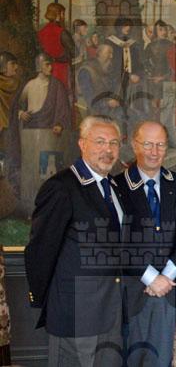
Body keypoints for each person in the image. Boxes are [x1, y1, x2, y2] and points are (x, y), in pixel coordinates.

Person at [24, 115, 139, 366]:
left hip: (111, 311)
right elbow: (40, 251)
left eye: (113, 143)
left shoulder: (113, 186)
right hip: (76, 312)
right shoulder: (62, 187)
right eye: (100, 142)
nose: (108, 150)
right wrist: (52, 302)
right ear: (82, 144)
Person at [114, 121, 176, 366]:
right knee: (131, 358)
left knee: (161, 358)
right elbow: (116, 241)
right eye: (148, 144)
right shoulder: (116, 186)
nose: (154, 151)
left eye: (160, 145)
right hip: (132, 287)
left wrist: (165, 277)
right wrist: (151, 277)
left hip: (170, 287)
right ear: (134, 145)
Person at [17, 53, 73, 207]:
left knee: (49, 170)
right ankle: (31, 204)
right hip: (32, 134)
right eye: (47, 64)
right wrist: (21, 113)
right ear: (39, 66)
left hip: (51, 136)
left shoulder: (57, 86)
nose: (51, 67)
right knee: (33, 170)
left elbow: (63, 109)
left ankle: (53, 204)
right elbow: (18, 106)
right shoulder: (29, 86)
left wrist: (60, 124)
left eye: (51, 64)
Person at [37, 3, 74, 92]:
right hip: (62, 69)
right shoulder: (62, 32)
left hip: (46, 69)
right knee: (64, 93)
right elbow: (73, 51)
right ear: (57, 15)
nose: (63, 17)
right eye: (63, 14)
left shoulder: (41, 32)